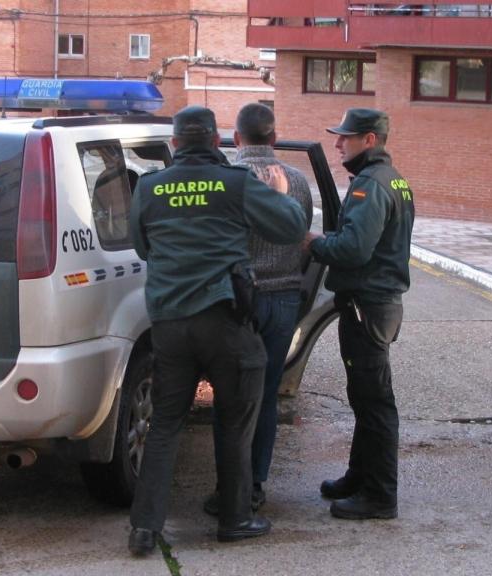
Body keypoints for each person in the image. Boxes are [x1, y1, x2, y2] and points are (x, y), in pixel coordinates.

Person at [127, 105, 308, 556]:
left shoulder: (150, 187)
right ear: (215, 142)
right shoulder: (235, 183)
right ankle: (236, 517)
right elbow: (292, 226)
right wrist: (277, 192)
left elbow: (141, 246)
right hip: (226, 322)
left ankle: (145, 528)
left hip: (169, 324)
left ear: (173, 145)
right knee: (236, 417)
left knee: (165, 423)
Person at [203, 103, 314, 516]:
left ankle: (227, 488)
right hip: (283, 300)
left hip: (237, 301)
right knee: (265, 395)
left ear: (236, 139)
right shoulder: (299, 182)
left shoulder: (226, 180)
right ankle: (254, 486)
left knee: (229, 396)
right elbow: (303, 239)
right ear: (273, 138)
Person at [305, 108, 415, 520]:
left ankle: (380, 496)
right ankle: (359, 477)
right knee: (363, 397)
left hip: (368, 306)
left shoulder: (371, 185)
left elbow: (354, 249)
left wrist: (314, 242)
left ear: (370, 140)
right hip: (375, 304)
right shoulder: (393, 180)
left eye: (345, 138)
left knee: (375, 403)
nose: (338, 144)